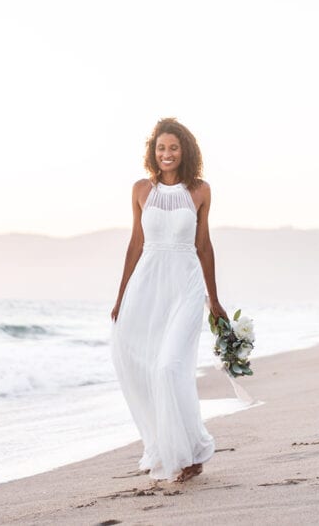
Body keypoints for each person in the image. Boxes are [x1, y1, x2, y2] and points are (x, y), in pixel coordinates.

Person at [109, 117, 230, 483]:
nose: (166, 154)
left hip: (186, 287)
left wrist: (214, 298)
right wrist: (121, 296)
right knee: (139, 364)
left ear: (185, 151)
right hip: (148, 287)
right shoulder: (141, 191)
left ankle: (190, 449)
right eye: (161, 148)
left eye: (173, 148)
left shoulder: (200, 191)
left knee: (169, 367)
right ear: (153, 151)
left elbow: (203, 246)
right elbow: (135, 245)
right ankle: (179, 452)